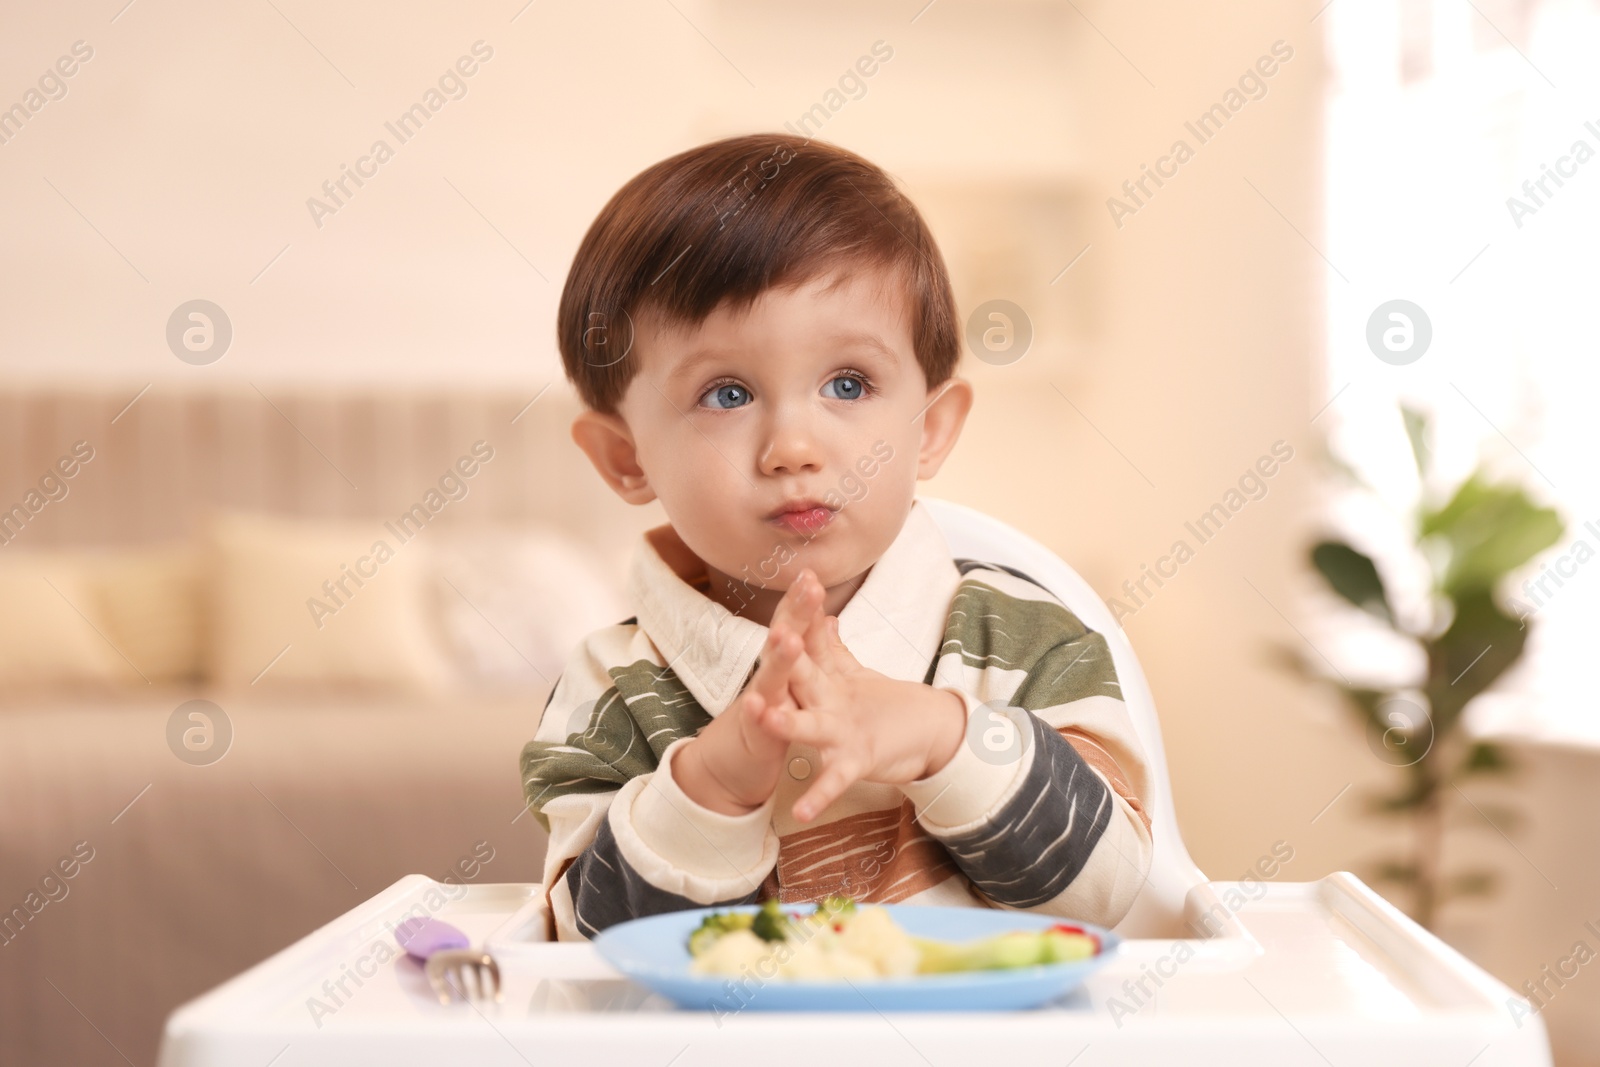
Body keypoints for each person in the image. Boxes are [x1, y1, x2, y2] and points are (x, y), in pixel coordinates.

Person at [521, 132, 1153, 942]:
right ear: (624, 456)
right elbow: (586, 944)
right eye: (726, 393)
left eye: (848, 384)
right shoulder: (610, 689)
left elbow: (1109, 885)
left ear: (929, 429)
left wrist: (940, 735)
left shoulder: (1018, 634)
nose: (794, 447)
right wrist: (712, 784)